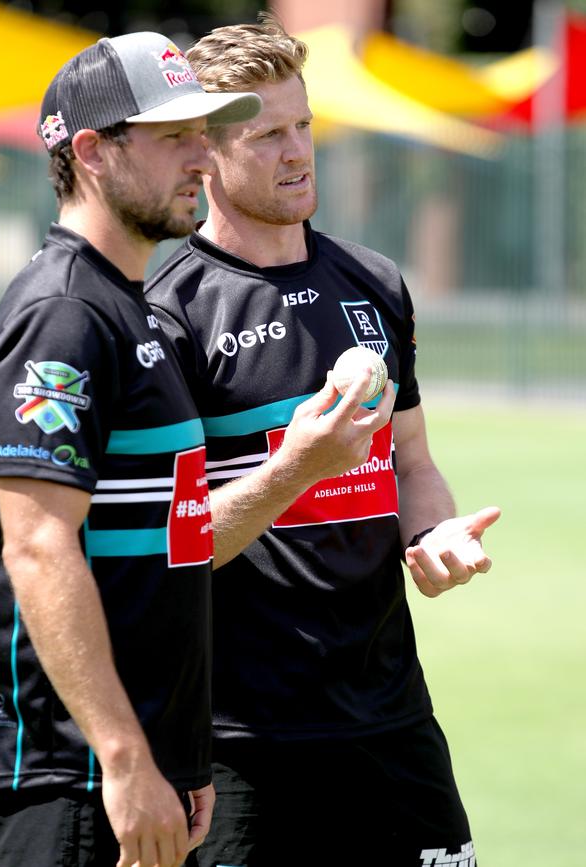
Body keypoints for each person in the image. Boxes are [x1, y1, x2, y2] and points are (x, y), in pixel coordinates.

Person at [146, 16, 501, 867]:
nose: (297, 151)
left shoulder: (374, 283)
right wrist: (296, 467)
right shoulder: (167, 310)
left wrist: (433, 532)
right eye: (266, 134)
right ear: (206, 153)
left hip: (390, 717)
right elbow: (169, 542)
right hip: (241, 740)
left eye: (303, 125)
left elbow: (411, 462)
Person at [0, 32, 264, 867]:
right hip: (58, 777)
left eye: (206, 132)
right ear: (91, 152)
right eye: (175, 137)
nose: (204, 157)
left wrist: (173, 751)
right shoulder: (66, 313)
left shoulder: (127, 305)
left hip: (122, 767)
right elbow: (38, 547)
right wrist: (123, 759)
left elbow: (162, 542)